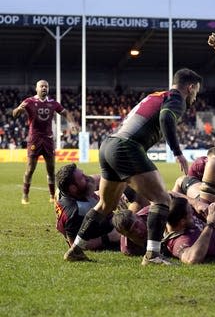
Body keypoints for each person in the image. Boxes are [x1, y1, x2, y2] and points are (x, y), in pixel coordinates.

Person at [63, 68, 203, 265]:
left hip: (109, 145)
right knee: (162, 199)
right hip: (126, 146)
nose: (195, 96)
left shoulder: (157, 95)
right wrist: (178, 152)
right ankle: (152, 255)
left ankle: (75, 249)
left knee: (105, 205)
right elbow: (165, 118)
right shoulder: (177, 98)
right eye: (196, 91)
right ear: (190, 87)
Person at [12, 79, 78, 204]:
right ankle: (25, 195)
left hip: (48, 139)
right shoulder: (29, 101)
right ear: (36, 89)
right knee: (30, 168)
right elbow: (14, 114)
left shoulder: (53, 103)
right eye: (41, 86)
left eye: (46, 87)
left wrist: (72, 123)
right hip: (34, 139)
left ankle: (52, 196)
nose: (44, 88)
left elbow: (65, 113)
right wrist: (19, 109)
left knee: (51, 169)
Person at [54, 163, 121, 250]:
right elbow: (75, 245)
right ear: (73, 188)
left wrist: (116, 190)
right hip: (105, 232)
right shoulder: (75, 211)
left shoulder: (74, 189)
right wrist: (109, 237)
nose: (87, 177)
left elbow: (98, 179)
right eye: (82, 177)